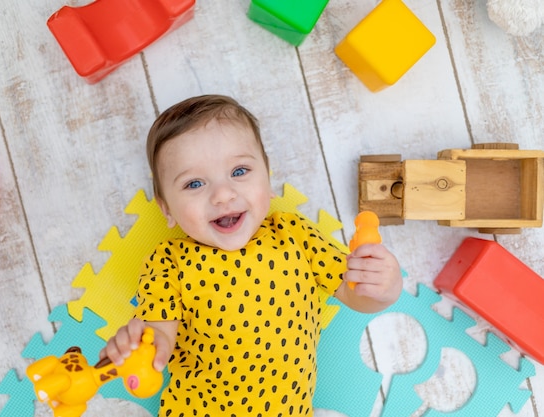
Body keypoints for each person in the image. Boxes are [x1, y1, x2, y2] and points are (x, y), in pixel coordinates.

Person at [101, 94, 402, 416]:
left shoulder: (295, 234)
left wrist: (384, 287)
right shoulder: (169, 261)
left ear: (268, 179)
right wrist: (142, 345)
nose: (223, 194)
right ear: (167, 210)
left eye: (240, 171)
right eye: (195, 183)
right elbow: (160, 331)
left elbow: (355, 294)